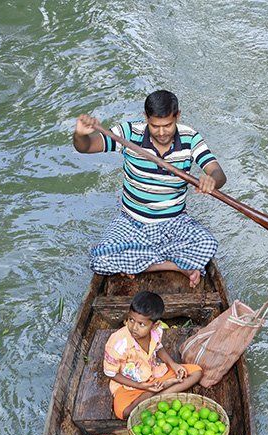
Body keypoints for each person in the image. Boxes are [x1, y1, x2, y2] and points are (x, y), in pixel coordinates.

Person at [73, 90, 227, 288]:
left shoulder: (190, 138)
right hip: (131, 222)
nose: (162, 133)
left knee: (208, 244)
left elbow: (218, 172)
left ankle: (138, 262)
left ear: (177, 117)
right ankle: (174, 265)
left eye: (168, 126)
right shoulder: (128, 133)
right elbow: (85, 147)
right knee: (100, 259)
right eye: (155, 126)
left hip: (174, 223)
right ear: (146, 118)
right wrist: (80, 134)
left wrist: (211, 181)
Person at [103, 290, 202, 419]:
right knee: (124, 412)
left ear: (155, 325)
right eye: (131, 320)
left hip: (154, 374)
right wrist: (140, 386)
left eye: (141, 324)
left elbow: (158, 348)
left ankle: (155, 395)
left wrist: (174, 365)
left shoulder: (157, 332)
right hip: (129, 385)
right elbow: (110, 373)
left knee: (197, 372)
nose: (134, 327)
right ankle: (159, 391)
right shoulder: (118, 343)